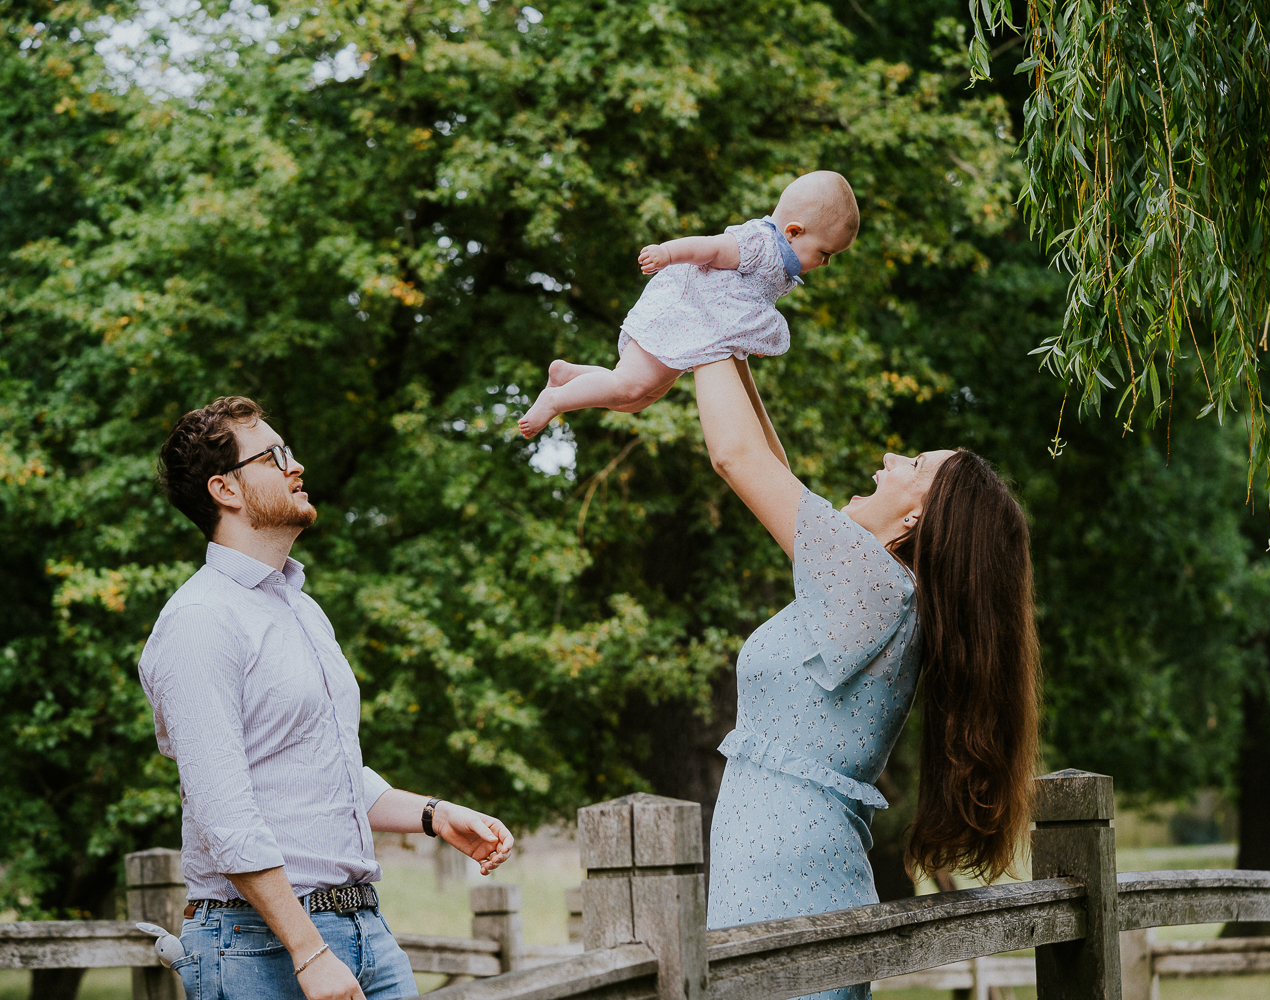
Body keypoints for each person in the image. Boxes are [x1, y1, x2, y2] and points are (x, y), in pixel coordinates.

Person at [139, 396, 516, 1000]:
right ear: (225, 489)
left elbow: (320, 771)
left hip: (365, 929)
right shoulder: (200, 620)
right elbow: (223, 813)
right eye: (275, 455)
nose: (297, 466)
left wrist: (433, 815)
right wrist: (308, 951)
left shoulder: (302, 608)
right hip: (260, 944)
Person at [692, 358, 1040, 1000]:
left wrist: (697, 320)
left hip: (783, 881)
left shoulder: (872, 586)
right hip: (787, 871)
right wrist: (735, 346)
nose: (888, 458)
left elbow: (736, 456)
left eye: (911, 466)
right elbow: (773, 465)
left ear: (914, 523)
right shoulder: (877, 593)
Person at [516, 170, 860, 437]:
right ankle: (554, 400)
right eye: (825, 253)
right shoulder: (759, 242)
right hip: (680, 312)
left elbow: (747, 306)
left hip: (694, 326)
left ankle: (567, 375)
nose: (826, 263)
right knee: (630, 386)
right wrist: (667, 253)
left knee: (640, 398)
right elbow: (711, 247)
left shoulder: (782, 265)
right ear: (794, 232)